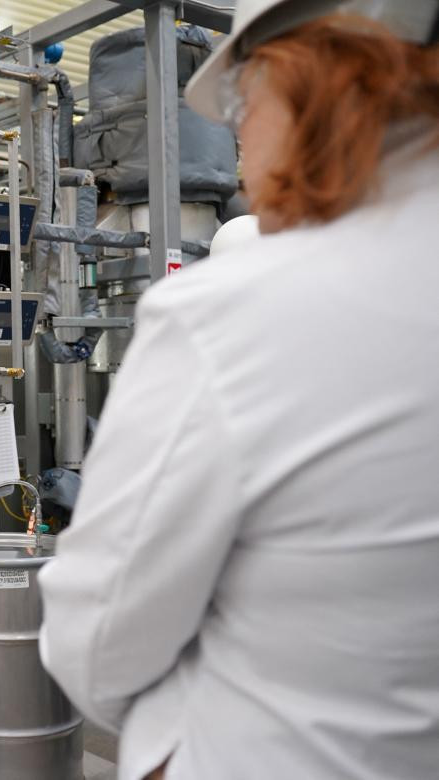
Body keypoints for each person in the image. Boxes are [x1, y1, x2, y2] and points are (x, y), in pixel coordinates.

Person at [37, 2, 439, 778]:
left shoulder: (229, 316)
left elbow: (95, 645)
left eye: (242, 104)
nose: (238, 140)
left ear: (308, 77)